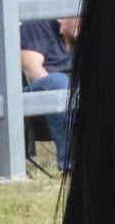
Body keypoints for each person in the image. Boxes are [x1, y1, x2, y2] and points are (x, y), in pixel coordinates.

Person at [19, 13, 76, 172]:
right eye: (79, 17)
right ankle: (70, 163)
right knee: (58, 81)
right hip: (35, 100)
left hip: (73, 100)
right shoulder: (38, 25)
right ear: (62, 16)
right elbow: (32, 70)